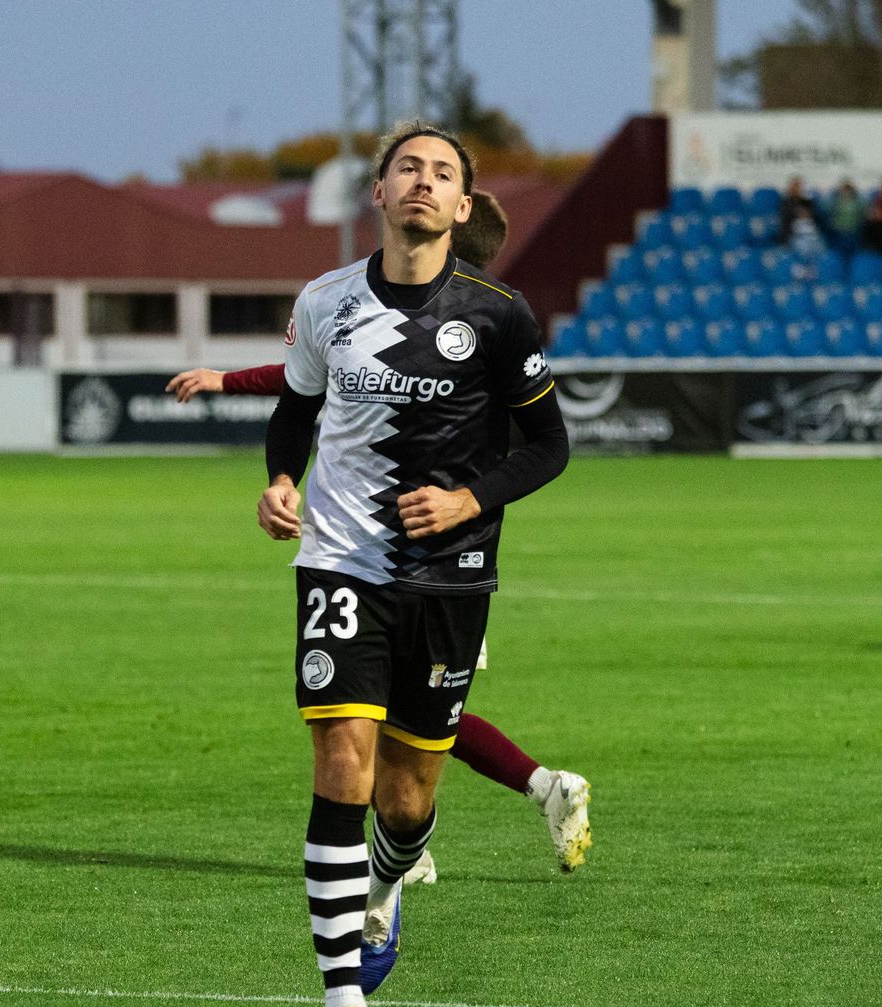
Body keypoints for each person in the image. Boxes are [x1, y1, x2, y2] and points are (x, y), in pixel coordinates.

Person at [258, 122, 570, 1007]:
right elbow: (296, 408)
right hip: (340, 561)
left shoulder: (499, 314)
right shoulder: (326, 302)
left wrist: (471, 496)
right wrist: (280, 479)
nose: (424, 184)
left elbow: (550, 445)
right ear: (380, 192)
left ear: (463, 206)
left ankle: (386, 893)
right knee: (341, 767)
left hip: (452, 575)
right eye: (408, 170)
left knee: (406, 795)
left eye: (443, 174)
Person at [167, 191, 591, 883]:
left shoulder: (487, 325)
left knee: (412, 721)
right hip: (372, 552)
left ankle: (529, 791)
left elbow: (546, 442)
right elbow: (314, 381)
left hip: (446, 554)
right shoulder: (364, 309)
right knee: (396, 714)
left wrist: (226, 378)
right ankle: (500, 806)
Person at [826, 180, 865, 256]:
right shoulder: (836, 202)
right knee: (840, 247)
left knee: (852, 247)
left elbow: (861, 216)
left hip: (853, 230)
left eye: (848, 191)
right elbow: (828, 212)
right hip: (839, 230)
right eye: (844, 191)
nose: (846, 193)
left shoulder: (857, 202)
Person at [778, 176, 819, 245]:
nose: (797, 189)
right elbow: (786, 217)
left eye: (799, 186)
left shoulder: (806, 201)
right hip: (792, 231)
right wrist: (797, 213)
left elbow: (812, 214)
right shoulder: (786, 201)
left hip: (807, 231)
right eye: (795, 186)